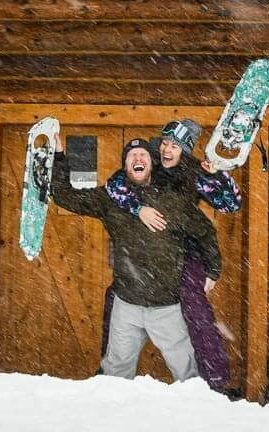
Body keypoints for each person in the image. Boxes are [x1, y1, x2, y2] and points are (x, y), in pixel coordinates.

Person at [52, 135, 223, 382]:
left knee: (187, 374)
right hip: (127, 304)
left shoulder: (171, 200)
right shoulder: (110, 200)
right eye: (132, 155)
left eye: (143, 154)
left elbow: (205, 231)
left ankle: (193, 417)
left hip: (166, 305)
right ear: (125, 164)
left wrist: (213, 269)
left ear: (152, 164)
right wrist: (59, 156)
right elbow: (65, 197)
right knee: (115, 373)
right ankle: (114, 417)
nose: (138, 158)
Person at [100, 119, 241, 390]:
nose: (167, 149)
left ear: (185, 150)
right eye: (165, 142)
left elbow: (231, 203)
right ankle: (109, 374)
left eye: (175, 146)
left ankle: (213, 382)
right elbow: (115, 184)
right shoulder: (149, 160)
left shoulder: (196, 173)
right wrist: (138, 208)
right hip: (149, 250)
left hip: (186, 253)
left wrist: (217, 176)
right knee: (117, 298)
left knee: (196, 310)